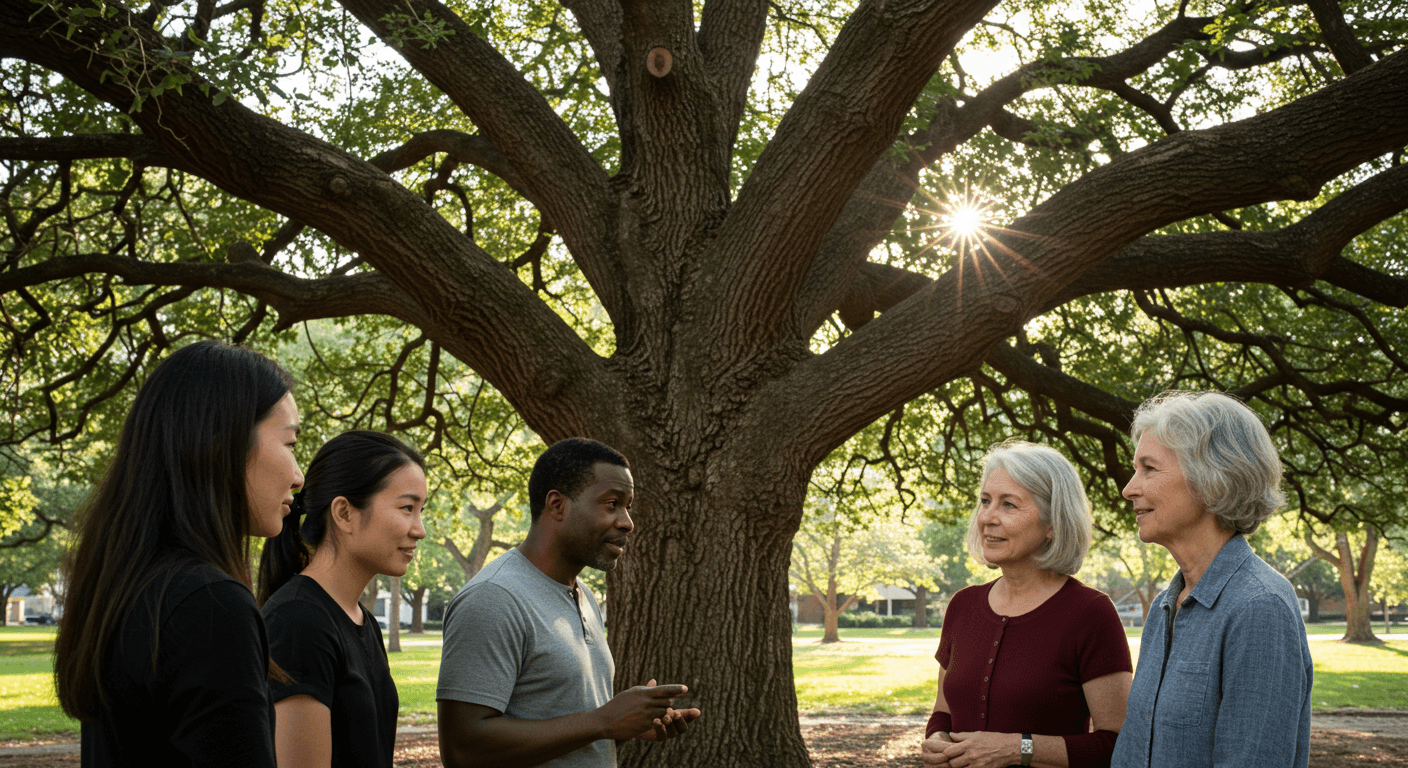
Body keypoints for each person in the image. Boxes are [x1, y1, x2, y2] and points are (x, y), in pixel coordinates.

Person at [54, 340, 302, 767]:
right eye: (291, 443)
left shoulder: (131, 584)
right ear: (222, 444)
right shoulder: (209, 604)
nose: (298, 477)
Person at [436, 437, 701, 768]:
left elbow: (573, 724)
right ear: (557, 505)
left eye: (628, 507)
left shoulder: (584, 595)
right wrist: (603, 721)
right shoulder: (493, 598)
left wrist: (625, 724)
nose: (627, 523)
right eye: (611, 504)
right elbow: (463, 750)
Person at [1111, 392, 1312, 768]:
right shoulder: (1163, 607)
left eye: (1149, 469)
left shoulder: (1260, 607)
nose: (1129, 489)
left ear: (1212, 480)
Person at [922, 440, 1132, 768]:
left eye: (1009, 505)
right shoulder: (962, 606)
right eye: (985, 501)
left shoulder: (1090, 613)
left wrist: (1018, 748)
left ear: (1052, 523)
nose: (987, 517)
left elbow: (1118, 744)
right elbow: (943, 712)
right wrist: (936, 739)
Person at [257, 431, 428, 768]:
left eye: (421, 510)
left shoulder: (363, 621)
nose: (420, 529)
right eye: (407, 508)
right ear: (345, 513)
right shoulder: (298, 622)